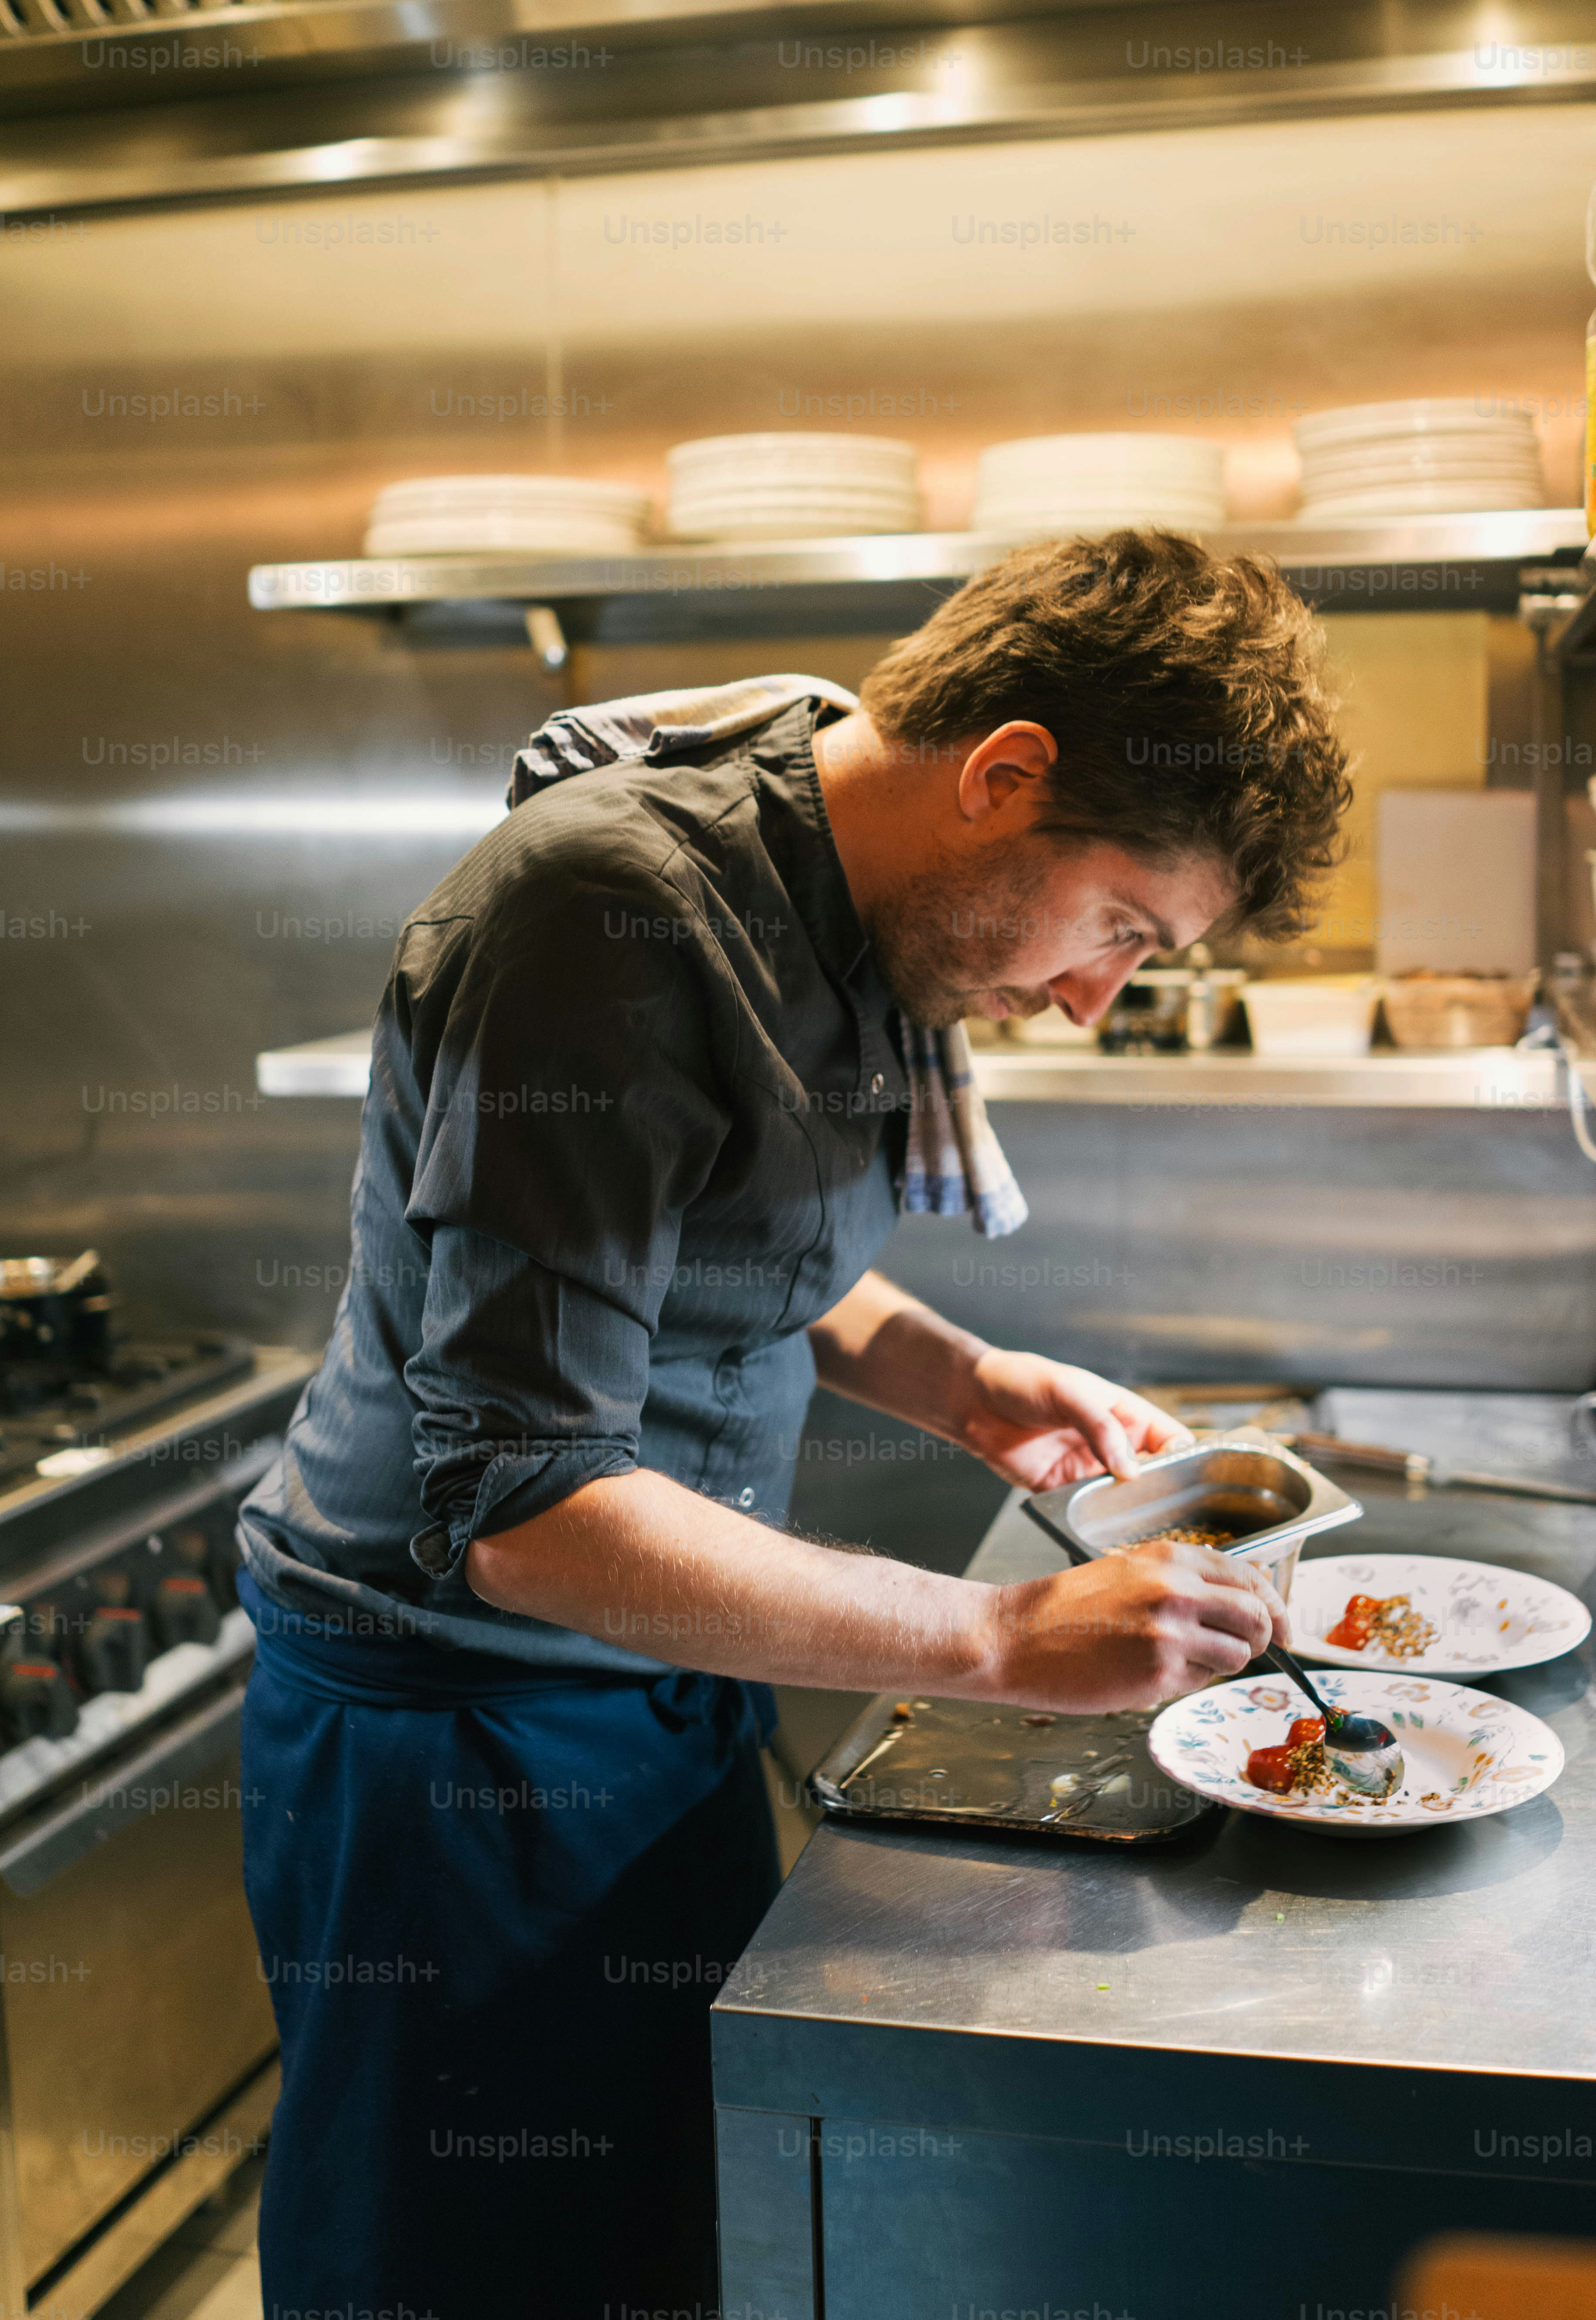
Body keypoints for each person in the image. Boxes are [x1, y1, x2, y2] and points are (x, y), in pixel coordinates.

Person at [237, 529, 1350, 2318]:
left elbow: (697, 1230)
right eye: (1122, 932)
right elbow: (522, 1507)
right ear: (1001, 778)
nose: (1092, 1000)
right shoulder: (599, 921)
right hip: (458, 1734)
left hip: (661, 1671)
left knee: (660, 2233)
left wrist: (953, 1377)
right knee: (452, 2270)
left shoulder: (837, 886)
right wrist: (996, 1638)